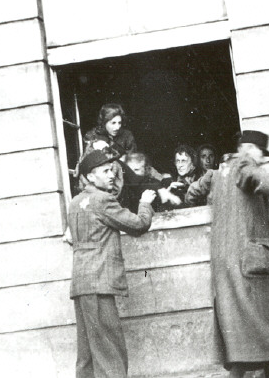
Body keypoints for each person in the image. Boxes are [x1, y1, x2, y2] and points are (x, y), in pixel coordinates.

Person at [185, 130, 269, 378]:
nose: (262, 159)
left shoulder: (216, 174)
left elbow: (191, 193)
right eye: (261, 152)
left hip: (223, 262)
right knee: (262, 323)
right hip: (250, 261)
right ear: (248, 148)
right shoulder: (244, 166)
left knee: (241, 327)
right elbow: (268, 183)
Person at [68, 149, 156, 378]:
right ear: (89, 176)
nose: (111, 175)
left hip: (82, 284)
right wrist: (145, 203)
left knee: (87, 355)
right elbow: (138, 225)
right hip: (99, 282)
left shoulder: (76, 202)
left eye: (111, 170)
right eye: (105, 171)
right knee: (110, 352)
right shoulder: (102, 199)